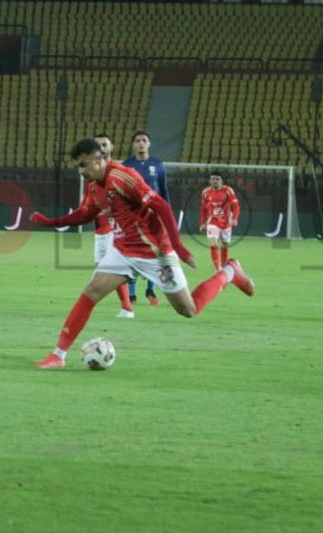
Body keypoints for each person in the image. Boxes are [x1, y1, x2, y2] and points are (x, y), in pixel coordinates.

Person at [29, 138, 254, 369]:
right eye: (78, 166)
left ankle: (230, 271)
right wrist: (50, 222)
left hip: (154, 253)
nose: (80, 171)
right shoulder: (94, 185)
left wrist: (178, 246)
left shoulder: (122, 177)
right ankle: (58, 355)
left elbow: (161, 206)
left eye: (84, 165)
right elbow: (85, 214)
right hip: (123, 249)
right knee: (91, 291)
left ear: (99, 159)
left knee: (189, 309)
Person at [121, 129, 171, 306]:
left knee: (155, 253)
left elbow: (164, 190)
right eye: (137, 141)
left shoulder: (158, 164)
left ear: (149, 144)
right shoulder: (126, 165)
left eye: (144, 140)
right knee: (133, 253)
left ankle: (151, 291)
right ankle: (132, 295)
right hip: (133, 217)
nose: (141, 143)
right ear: (133, 145)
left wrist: (167, 213)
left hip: (154, 215)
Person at [90, 133, 134, 319]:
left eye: (104, 144)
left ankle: (127, 308)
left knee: (110, 268)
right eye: (97, 145)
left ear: (111, 147)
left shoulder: (118, 171)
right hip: (100, 229)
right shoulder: (91, 172)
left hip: (114, 229)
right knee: (102, 266)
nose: (101, 148)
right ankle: (126, 307)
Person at [200, 172, 240, 271]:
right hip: (212, 221)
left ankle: (224, 266)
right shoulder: (206, 192)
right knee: (213, 243)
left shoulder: (228, 190)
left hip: (226, 221)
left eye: (217, 179)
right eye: (213, 179)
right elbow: (203, 209)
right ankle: (217, 269)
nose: (215, 181)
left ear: (221, 181)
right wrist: (202, 223)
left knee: (225, 244)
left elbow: (235, 206)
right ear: (210, 181)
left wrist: (235, 218)